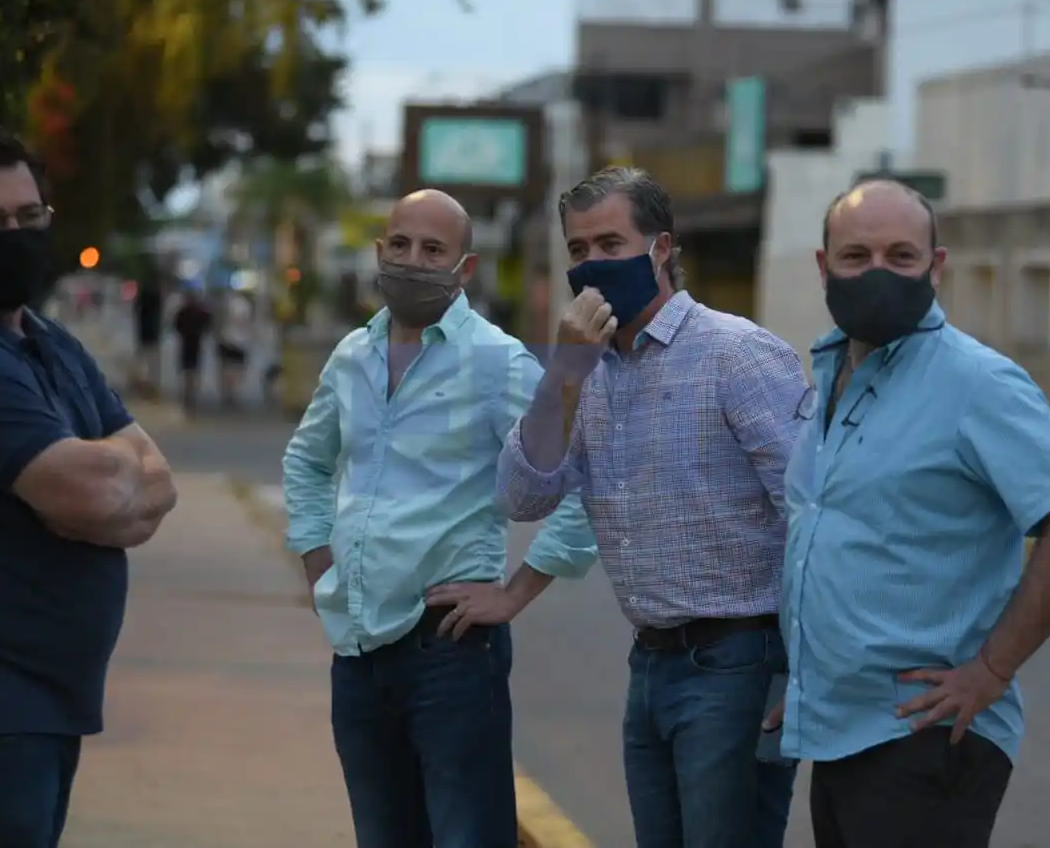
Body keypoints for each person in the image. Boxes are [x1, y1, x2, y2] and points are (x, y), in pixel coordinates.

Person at [774, 177, 1050, 848]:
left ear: (937, 266)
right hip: (844, 730)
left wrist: (992, 669)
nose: (877, 272)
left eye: (901, 257)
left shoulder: (975, 383)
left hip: (925, 738)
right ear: (824, 267)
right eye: (856, 256)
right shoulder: (834, 376)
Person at [494, 166, 812, 848]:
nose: (593, 265)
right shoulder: (590, 371)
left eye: (611, 244)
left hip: (741, 662)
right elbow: (526, 495)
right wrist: (562, 378)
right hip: (651, 664)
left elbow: (815, 515)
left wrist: (811, 664)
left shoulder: (738, 355)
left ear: (661, 249)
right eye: (579, 251)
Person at [281, 188, 597, 848]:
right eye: (400, 245)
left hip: (449, 651)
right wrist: (317, 559)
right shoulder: (352, 356)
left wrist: (515, 590)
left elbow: (583, 477)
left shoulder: (495, 359)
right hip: (359, 652)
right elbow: (307, 462)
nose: (413, 261)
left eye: (433, 250)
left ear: (466, 268)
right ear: (379, 251)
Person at [0, 123, 178, 847]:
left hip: (41, 707)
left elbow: (155, 480)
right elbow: (96, 491)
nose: (13, 235)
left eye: (28, 217)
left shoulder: (46, 339)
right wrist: (101, 477)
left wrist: (102, 478)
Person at [172, 284, 212, 412]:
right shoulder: (201, 312)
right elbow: (208, 324)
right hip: (196, 342)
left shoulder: (183, 312)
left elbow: (176, 325)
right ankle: (192, 393)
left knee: (186, 370)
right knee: (194, 369)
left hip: (185, 343)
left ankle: (187, 393)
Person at [215, 290, 253, 408]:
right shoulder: (246, 305)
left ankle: (227, 392)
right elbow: (248, 323)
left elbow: (220, 321)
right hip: (241, 341)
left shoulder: (227, 304)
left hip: (226, 339)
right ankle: (233, 393)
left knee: (226, 367)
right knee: (237, 369)